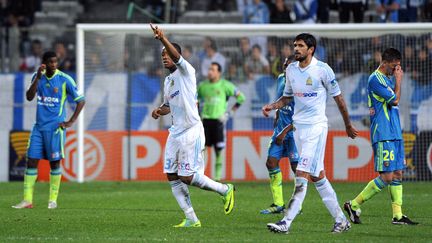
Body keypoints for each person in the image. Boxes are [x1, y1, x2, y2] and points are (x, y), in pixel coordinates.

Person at [262, 33, 358, 234]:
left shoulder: (323, 70)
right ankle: (341, 220)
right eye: (294, 45)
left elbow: (339, 99)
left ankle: (285, 222)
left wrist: (348, 125)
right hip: (298, 129)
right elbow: (287, 97)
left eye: (300, 46)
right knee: (318, 176)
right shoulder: (291, 70)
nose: (296, 49)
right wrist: (272, 106)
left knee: (301, 174)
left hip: (316, 128)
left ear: (311, 49)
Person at [149, 23, 235, 228]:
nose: (164, 56)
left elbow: (177, 57)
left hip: (191, 131)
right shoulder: (168, 81)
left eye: (167, 54)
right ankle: (191, 218)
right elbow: (168, 105)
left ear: (176, 55)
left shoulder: (187, 71)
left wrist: (162, 38)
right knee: (171, 174)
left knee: (188, 176)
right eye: (162, 55)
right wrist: (159, 110)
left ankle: (224, 190)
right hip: (175, 132)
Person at [344, 48, 419, 226]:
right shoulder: (375, 79)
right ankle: (353, 204)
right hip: (383, 133)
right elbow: (395, 100)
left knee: (398, 173)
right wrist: (399, 81)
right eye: (395, 66)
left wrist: (395, 81)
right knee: (386, 177)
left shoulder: (386, 79)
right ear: (385, 62)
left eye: (399, 67)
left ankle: (398, 216)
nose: (397, 70)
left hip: (395, 132)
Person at [12, 51, 85, 209]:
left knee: (55, 163)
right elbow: (29, 97)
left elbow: (81, 100)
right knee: (31, 161)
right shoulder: (37, 76)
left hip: (55, 129)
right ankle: (27, 200)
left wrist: (71, 121)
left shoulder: (65, 79)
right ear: (44, 62)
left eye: (55, 62)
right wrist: (38, 77)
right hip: (38, 127)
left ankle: (52, 200)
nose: (54, 64)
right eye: (50, 62)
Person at [260, 56, 300, 215]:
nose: (285, 67)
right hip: (280, 130)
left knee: (297, 168)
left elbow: (302, 117)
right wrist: (276, 118)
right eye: (284, 64)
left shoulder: (301, 86)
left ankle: (297, 204)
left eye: (288, 65)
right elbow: (281, 102)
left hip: (294, 133)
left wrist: (283, 133)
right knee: (271, 163)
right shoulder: (281, 79)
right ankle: (278, 204)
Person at [197, 62, 246, 181]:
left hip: (219, 122)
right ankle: (200, 175)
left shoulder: (226, 85)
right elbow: (196, 101)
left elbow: (241, 98)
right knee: (202, 148)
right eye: (209, 69)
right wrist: (198, 115)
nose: (210, 72)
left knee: (218, 150)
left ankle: (217, 177)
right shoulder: (202, 86)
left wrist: (229, 113)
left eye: (213, 70)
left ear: (219, 72)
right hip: (205, 121)